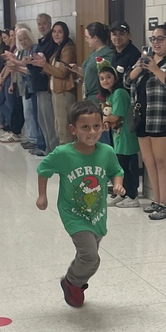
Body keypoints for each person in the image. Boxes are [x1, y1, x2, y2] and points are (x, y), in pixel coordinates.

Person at [36, 100, 124, 308]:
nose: (92, 132)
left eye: (96, 126)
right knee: (91, 257)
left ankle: (76, 281)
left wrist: (118, 185)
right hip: (73, 213)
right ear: (73, 129)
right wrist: (42, 196)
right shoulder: (63, 154)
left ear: (103, 126)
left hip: (97, 214)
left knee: (89, 256)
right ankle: (72, 282)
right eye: (85, 127)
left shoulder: (107, 152)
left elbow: (116, 171)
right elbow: (43, 170)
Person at [126, 21, 166, 221]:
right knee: (149, 161)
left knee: (162, 162)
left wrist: (155, 69)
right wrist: (137, 69)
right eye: (153, 39)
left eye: (160, 39)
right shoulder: (146, 59)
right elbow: (127, 81)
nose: (156, 42)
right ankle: (156, 199)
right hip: (143, 117)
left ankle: (165, 204)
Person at [98, 63, 140, 208]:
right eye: (102, 78)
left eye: (108, 77)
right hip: (118, 135)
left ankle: (132, 196)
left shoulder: (120, 93)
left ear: (115, 78)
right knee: (120, 164)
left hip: (126, 135)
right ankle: (123, 194)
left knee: (127, 165)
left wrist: (102, 119)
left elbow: (117, 116)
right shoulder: (110, 95)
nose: (105, 81)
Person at [39, 20, 76, 145]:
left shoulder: (68, 48)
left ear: (65, 33)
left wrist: (44, 65)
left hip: (64, 92)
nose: (56, 34)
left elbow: (62, 73)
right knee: (58, 126)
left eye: (60, 32)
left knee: (65, 128)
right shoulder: (58, 49)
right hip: (56, 91)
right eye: (54, 32)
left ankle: (68, 159)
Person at [28, 13, 57, 153]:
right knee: (42, 121)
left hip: (46, 86)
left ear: (50, 24)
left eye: (44, 23)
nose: (41, 26)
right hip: (38, 86)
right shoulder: (41, 42)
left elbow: (45, 64)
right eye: (39, 24)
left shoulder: (51, 43)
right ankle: (48, 148)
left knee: (49, 122)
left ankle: (53, 151)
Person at [69, 21, 114, 100]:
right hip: (88, 94)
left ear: (95, 38)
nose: (86, 40)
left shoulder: (107, 54)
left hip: (98, 95)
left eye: (87, 37)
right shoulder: (94, 52)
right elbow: (88, 72)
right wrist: (77, 69)